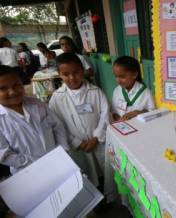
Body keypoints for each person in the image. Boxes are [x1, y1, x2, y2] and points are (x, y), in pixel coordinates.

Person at [49, 53, 109, 187]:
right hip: (77, 147)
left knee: (104, 171)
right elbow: (57, 125)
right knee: (84, 175)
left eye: (76, 72)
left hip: (98, 142)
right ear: (59, 74)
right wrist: (77, 142)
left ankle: (107, 194)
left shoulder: (96, 91)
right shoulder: (57, 99)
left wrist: (96, 137)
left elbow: (105, 115)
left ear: (82, 70)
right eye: (66, 74)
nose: (72, 77)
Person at [0, 65, 69, 174]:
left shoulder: (36, 103)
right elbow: (5, 155)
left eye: (17, 85)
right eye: (3, 88)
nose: (12, 92)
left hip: (57, 159)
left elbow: (57, 126)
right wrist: (38, 162)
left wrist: (63, 150)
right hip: (27, 171)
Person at [112, 56, 155, 121]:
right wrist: (119, 120)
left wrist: (137, 113)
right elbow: (114, 112)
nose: (118, 81)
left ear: (134, 75)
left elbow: (152, 113)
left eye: (122, 77)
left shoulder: (146, 93)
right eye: (116, 76)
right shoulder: (116, 91)